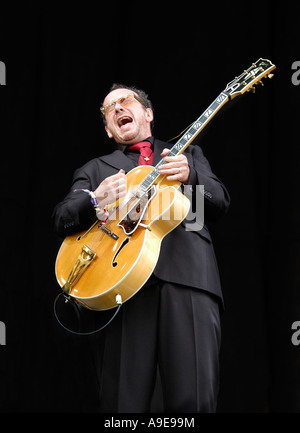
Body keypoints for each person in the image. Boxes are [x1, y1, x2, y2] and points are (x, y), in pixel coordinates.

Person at [52, 83, 230, 413]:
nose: (118, 108)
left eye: (126, 101)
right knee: (124, 405)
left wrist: (191, 178)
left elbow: (216, 204)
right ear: (108, 129)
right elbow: (62, 218)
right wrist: (96, 198)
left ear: (147, 113)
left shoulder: (186, 153)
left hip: (188, 278)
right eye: (110, 108)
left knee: (194, 402)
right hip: (121, 287)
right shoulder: (95, 169)